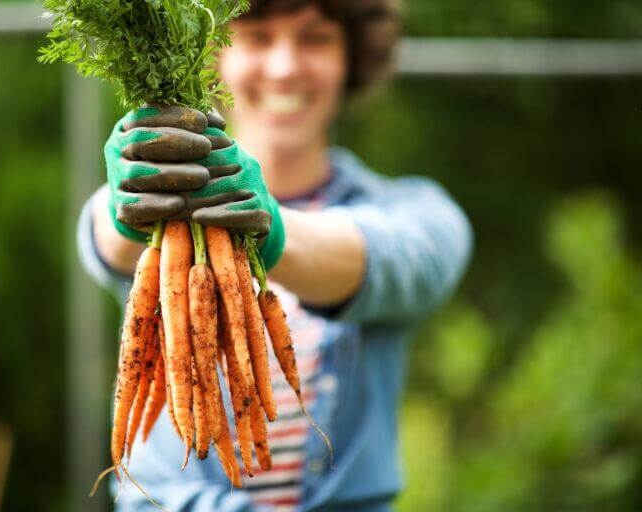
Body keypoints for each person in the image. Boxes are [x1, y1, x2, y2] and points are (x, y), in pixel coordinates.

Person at [77, 0, 473, 510]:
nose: (285, 67)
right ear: (210, 54)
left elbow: (396, 259)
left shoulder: (415, 212)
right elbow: (104, 240)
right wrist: (131, 193)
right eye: (258, 37)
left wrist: (271, 229)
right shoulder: (158, 216)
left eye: (316, 39)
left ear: (353, 57)